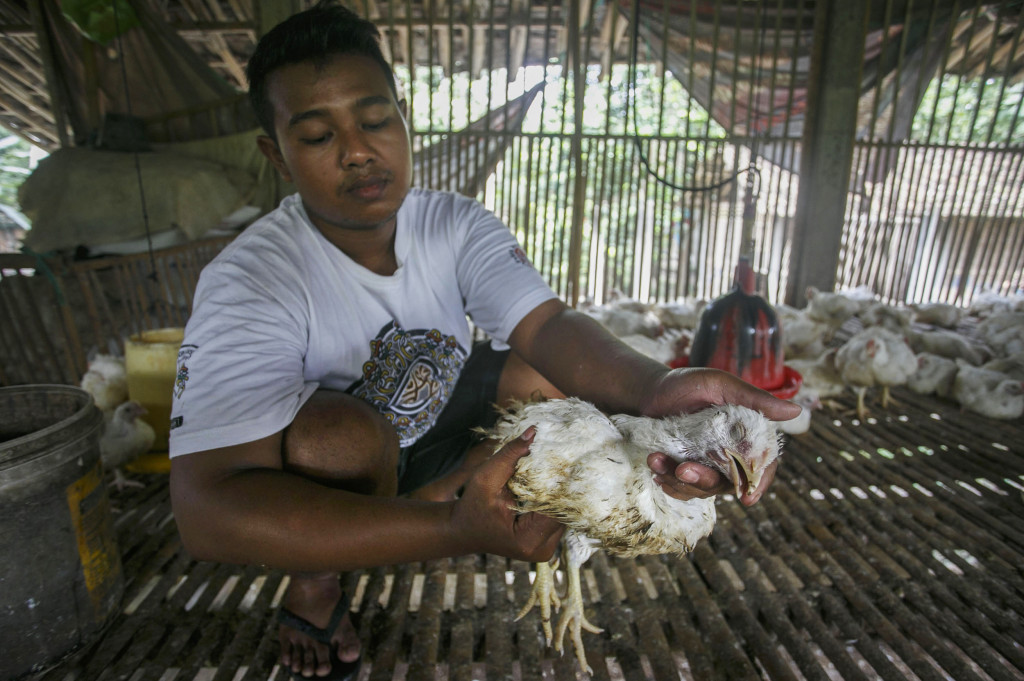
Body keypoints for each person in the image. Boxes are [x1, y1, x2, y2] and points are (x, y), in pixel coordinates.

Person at [167, 3, 801, 679]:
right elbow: (206, 510)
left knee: (549, 374)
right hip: (351, 472)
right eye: (319, 135)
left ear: (404, 116)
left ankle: (450, 494)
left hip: (439, 435)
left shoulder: (453, 224)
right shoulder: (253, 277)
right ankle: (324, 579)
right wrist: (454, 533)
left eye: (376, 119)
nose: (358, 150)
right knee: (339, 436)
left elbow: (549, 327)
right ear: (277, 155)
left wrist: (657, 387)